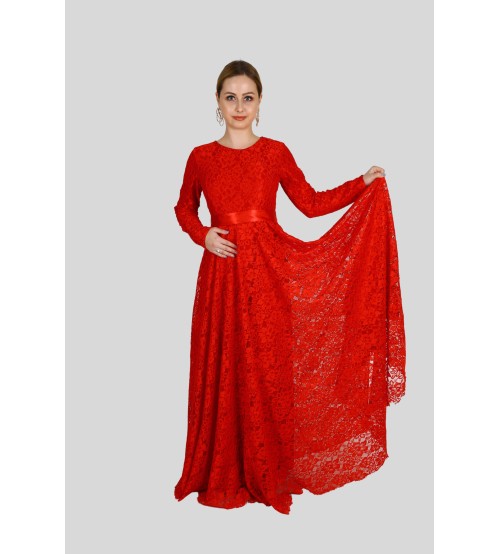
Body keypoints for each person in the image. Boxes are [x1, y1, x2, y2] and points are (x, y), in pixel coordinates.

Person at [173, 60, 406, 515]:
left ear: (260, 102)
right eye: (230, 97)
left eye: (248, 97)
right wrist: (203, 234)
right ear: (217, 102)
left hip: (270, 278)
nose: (239, 106)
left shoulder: (275, 152)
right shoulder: (200, 157)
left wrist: (361, 184)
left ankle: (267, 471)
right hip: (221, 278)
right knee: (224, 364)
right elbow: (183, 207)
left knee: (267, 368)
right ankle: (222, 469)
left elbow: (311, 203)